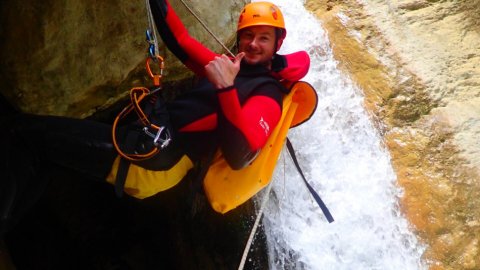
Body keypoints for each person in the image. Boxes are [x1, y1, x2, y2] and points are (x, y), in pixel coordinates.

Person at [0, 0, 310, 234]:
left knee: (22, 133)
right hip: (147, 142)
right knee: (42, 150)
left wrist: (226, 88)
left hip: (154, 159)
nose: (253, 44)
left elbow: (240, 155)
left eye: (264, 38)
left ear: (277, 43)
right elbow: (181, 41)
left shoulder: (267, 94)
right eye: (248, 36)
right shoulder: (229, 67)